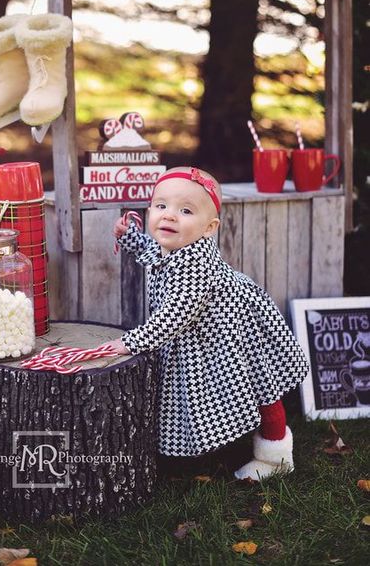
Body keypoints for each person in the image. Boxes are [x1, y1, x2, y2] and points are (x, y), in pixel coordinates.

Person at [107, 166, 309, 480]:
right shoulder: (175, 245)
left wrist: (129, 342)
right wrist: (132, 239)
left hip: (234, 326)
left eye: (185, 210)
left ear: (209, 227)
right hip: (205, 331)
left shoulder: (196, 264)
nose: (169, 215)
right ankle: (199, 451)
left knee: (260, 382)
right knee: (215, 388)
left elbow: (174, 315)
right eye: (161, 206)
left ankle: (275, 454)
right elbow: (155, 252)